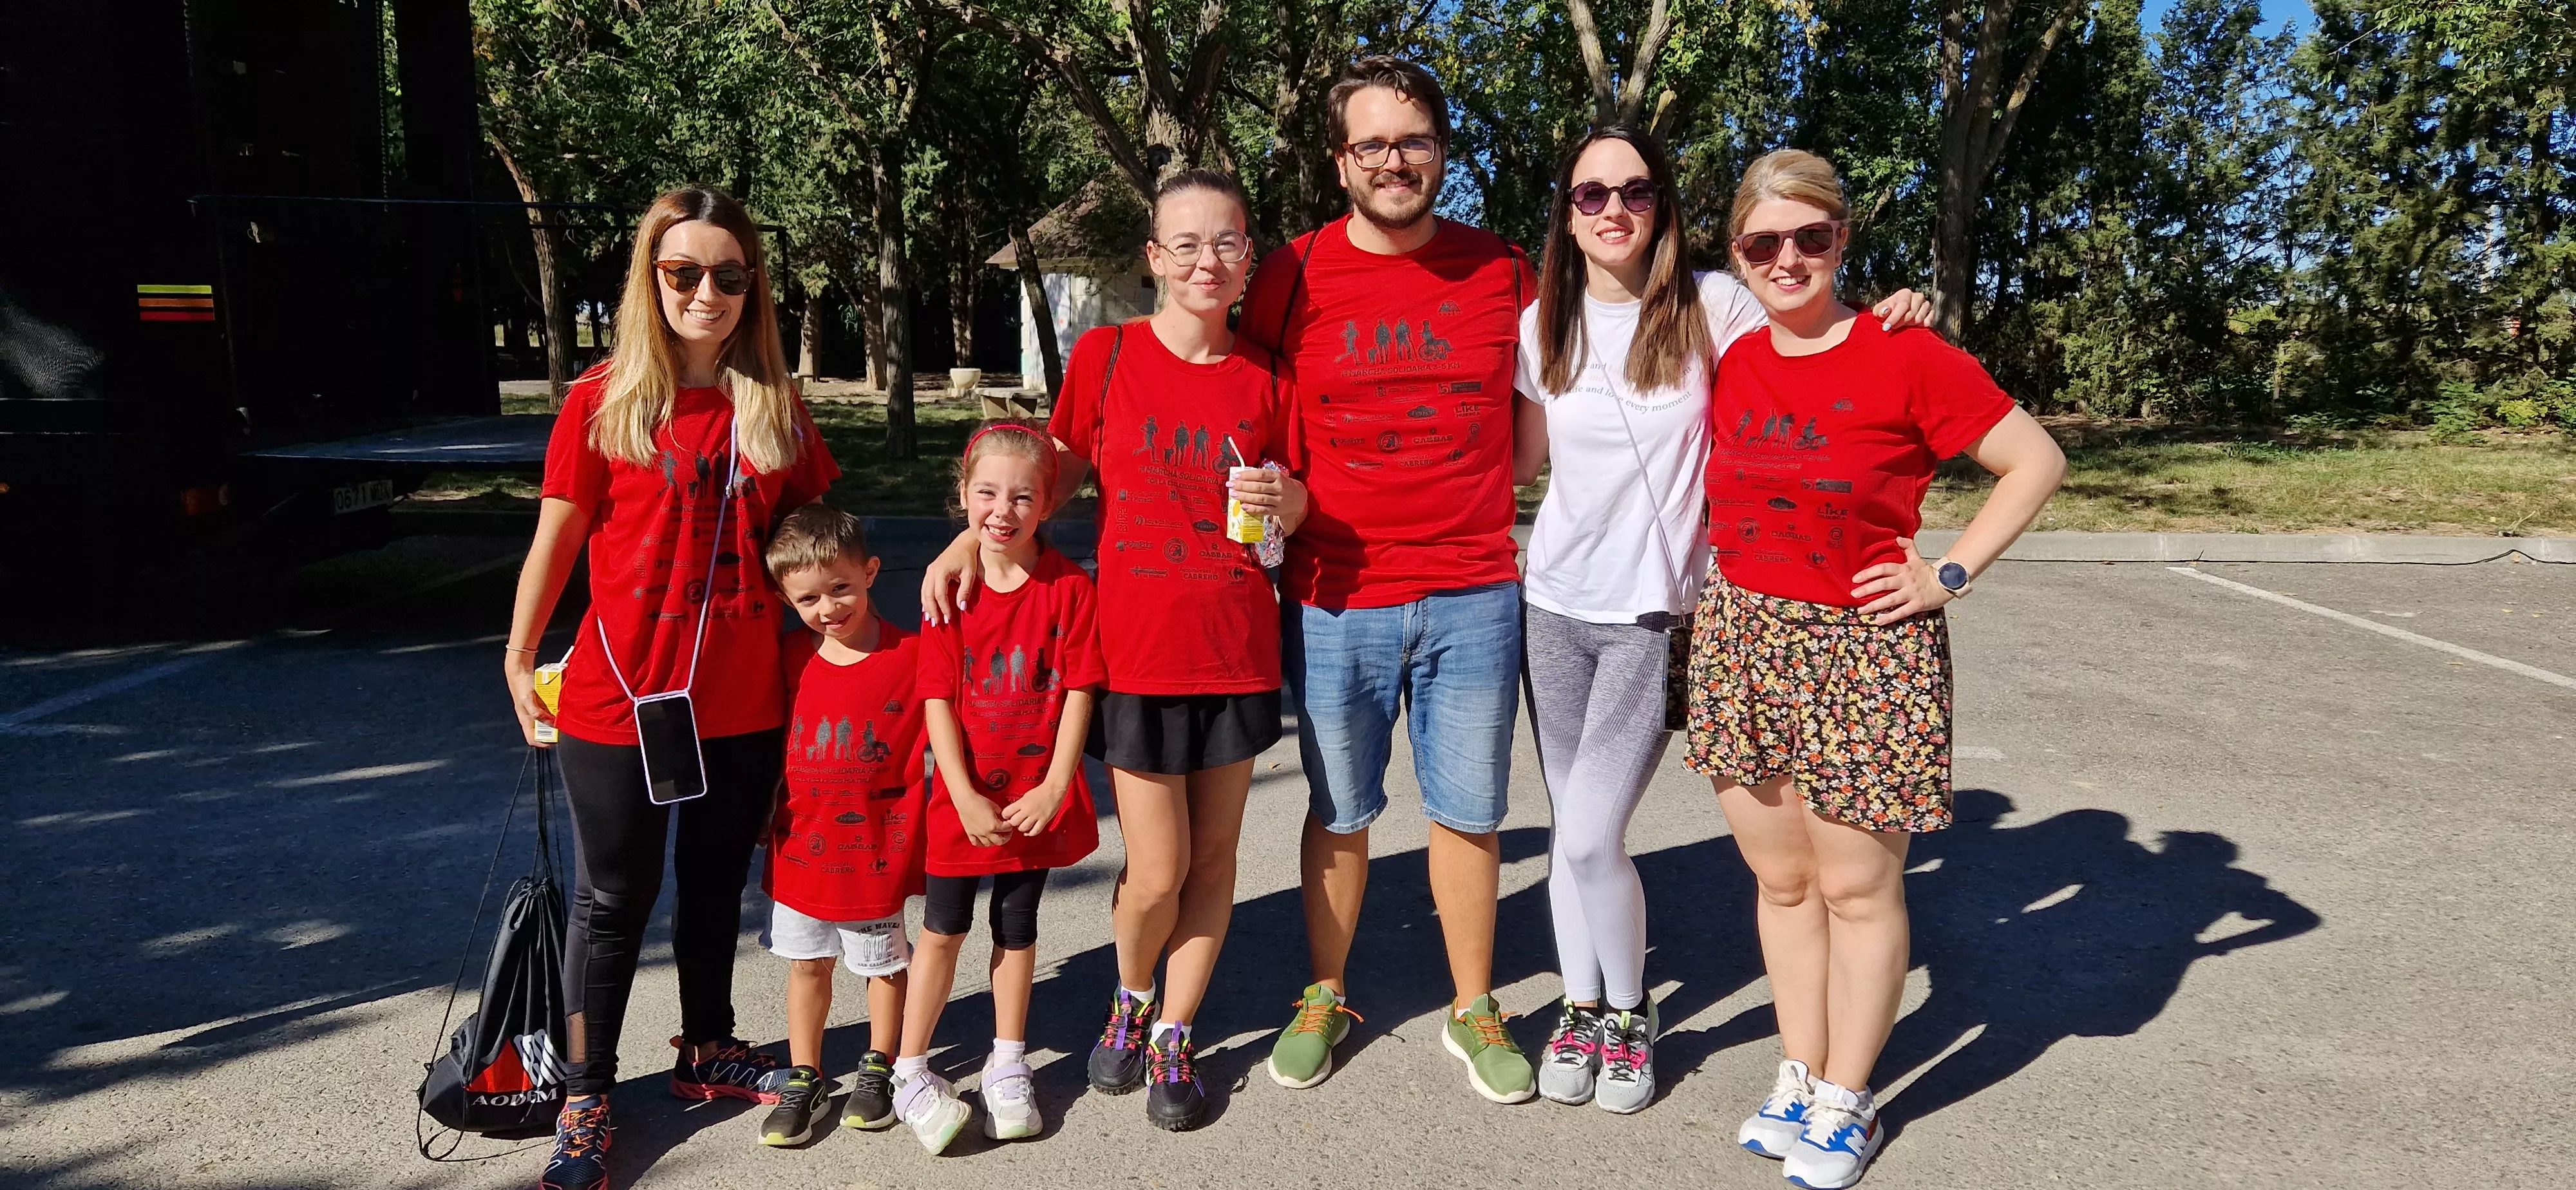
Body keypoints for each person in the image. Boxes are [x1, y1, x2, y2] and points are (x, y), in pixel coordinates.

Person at [1510, 127, 1935, 1117]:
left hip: (1660, 615)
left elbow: (1812, 338)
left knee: (1589, 835)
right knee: (1575, 833)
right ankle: (1582, 1005)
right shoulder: (1540, 325)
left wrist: (1892, 318)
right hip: (1553, 604)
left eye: (1636, 190)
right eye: (1591, 194)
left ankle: (1630, 1014)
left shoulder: (1714, 304)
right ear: (1567, 213)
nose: (1614, 210)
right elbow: (1522, 463)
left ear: (1662, 204)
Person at [1687, 149, 2064, 1189]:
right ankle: (1800, 1072)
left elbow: (2035, 459)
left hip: (1865, 648)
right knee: (1783, 882)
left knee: (1857, 888)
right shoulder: (1733, 356)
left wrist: (1949, 571)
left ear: (1842, 240)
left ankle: (1849, 1097)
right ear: (1738, 254)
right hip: (1745, 636)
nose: (1788, 259)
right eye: (1765, 242)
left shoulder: (1907, 353)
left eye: (1811, 236)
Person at [917, 171, 1307, 1132]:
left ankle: (1175, 1031)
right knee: (1159, 872)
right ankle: (1131, 997)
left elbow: (1295, 505)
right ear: (1155, 258)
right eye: (1187, 243)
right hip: (1134, 656)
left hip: (1237, 652)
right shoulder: (1108, 354)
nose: (1207, 261)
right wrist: (970, 537)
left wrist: (1287, 504)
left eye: (1227, 243)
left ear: (1248, 259)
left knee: (1215, 862)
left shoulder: (1270, 376)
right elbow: (1039, 480)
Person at [500, 185, 837, 1190]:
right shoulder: (605, 399)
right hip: (621, 697)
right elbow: (557, 537)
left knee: (715, 881)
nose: (706, 293)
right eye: (683, 272)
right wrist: (519, 655)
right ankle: (586, 1098)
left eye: (728, 275)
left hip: (743, 698)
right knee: (613, 899)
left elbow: (817, 548)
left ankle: (707, 1047)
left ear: (752, 286)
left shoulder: (773, 405)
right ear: (650, 279)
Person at [1233, 54, 1539, 1106]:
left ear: (1442, 152)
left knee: (1470, 811)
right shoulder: (1292, 272)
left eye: (1413, 140)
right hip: (1335, 595)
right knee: (1341, 808)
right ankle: (1325, 992)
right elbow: (1239, 394)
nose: (1393, 160)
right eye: (1372, 143)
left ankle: (1473, 1004)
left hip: (1475, 589)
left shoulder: (1504, 269)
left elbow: (1561, 391)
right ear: (1340, 160)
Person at [896, 423, 1105, 1154]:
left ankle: (1008, 1064)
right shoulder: (949, 591)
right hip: (962, 802)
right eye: (987, 492)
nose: (1003, 510)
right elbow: (936, 699)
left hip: (1031, 800)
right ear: (963, 495)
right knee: (943, 929)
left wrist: (1056, 785)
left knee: (1017, 928)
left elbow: (1080, 690)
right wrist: (960, 794)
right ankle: (910, 1070)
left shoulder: (1070, 588)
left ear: (1048, 503)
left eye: (1022, 496)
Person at [753, 505, 926, 1146]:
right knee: (807, 965)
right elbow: (770, 744)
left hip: (876, 849)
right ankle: (806, 1076)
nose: (828, 608)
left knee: (883, 964)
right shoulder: (788, 658)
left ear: (871, 572)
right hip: (801, 846)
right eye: (808, 599)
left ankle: (880, 1065)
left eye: (840, 588)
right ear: (785, 598)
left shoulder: (914, 654)